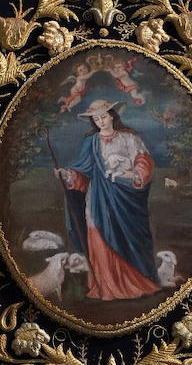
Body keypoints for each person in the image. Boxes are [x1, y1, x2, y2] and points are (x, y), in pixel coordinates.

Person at [56, 99, 161, 302]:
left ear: (112, 115)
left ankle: (133, 284)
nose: (100, 121)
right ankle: (106, 287)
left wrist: (134, 174)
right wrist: (67, 175)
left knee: (127, 236)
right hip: (98, 198)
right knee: (98, 235)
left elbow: (143, 162)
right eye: (96, 119)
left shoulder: (129, 138)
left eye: (103, 116)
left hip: (125, 197)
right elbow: (83, 172)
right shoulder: (91, 142)